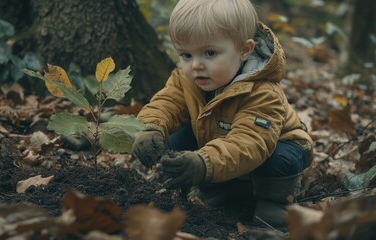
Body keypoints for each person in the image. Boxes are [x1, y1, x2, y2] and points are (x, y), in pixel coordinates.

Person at [132, 0, 313, 227]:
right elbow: (167, 102)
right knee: (175, 143)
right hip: (219, 138)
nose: (196, 65)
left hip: (274, 146)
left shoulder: (262, 92)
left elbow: (250, 143)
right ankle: (225, 189)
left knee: (280, 160)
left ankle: (275, 203)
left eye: (210, 53)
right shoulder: (186, 79)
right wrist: (149, 127)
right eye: (186, 55)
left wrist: (203, 162)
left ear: (244, 50)